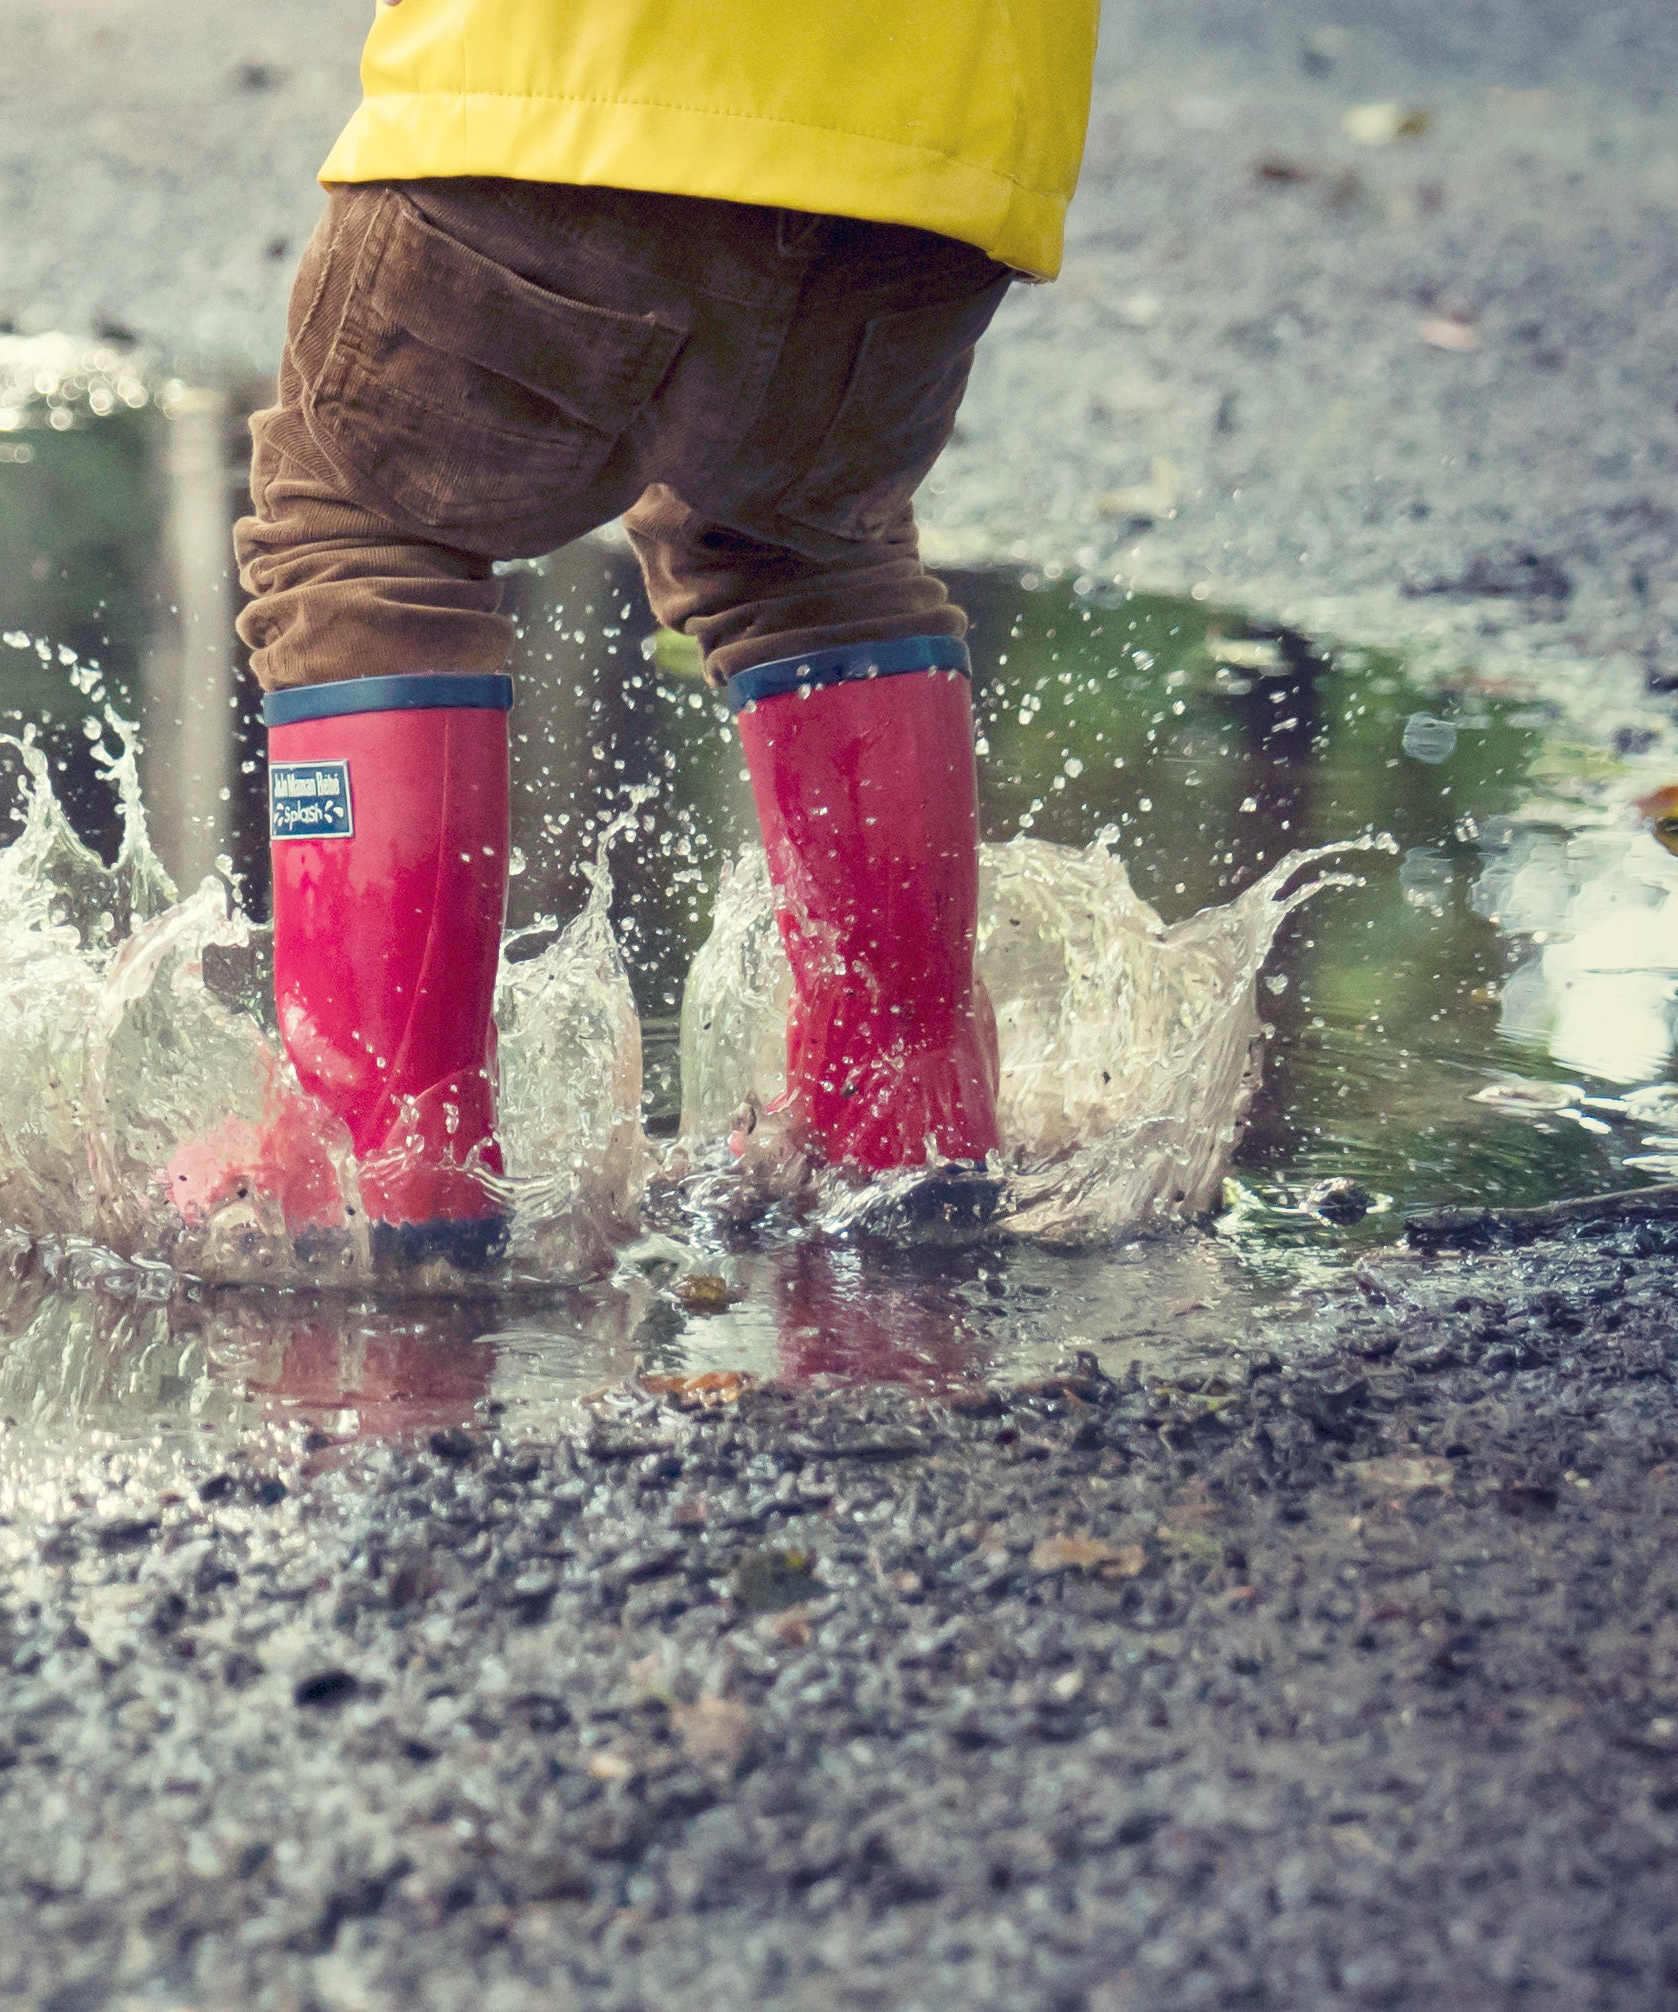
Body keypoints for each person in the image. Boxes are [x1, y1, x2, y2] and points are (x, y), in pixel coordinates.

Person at [233, 0, 1102, 1252]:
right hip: (940, 156)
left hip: (582, 88)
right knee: (809, 549)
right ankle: (902, 1122)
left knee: (358, 523)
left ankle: (381, 1155)